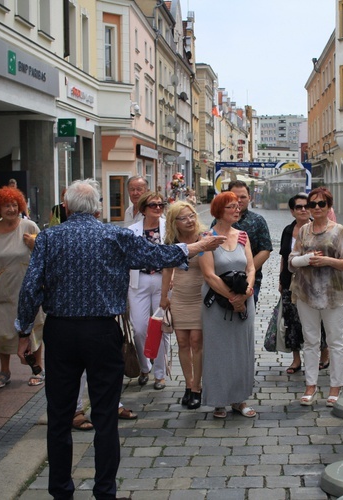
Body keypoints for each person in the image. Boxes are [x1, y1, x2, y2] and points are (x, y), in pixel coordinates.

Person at [15, 178, 224, 499]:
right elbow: (157, 255)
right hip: (102, 332)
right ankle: (105, 491)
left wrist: (23, 331)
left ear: (67, 207)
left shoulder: (49, 238)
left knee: (59, 415)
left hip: (61, 332)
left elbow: (31, 288)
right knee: (105, 414)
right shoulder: (114, 234)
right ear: (98, 208)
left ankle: (60, 490)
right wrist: (195, 247)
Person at [290, 187, 343, 407]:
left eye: (321, 204)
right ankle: (310, 386)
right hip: (306, 292)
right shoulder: (304, 231)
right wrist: (306, 259)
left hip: (332, 293)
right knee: (310, 341)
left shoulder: (338, 231)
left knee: (335, 342)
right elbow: (292, 260)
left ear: (329, 207)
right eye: (312, 204)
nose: (316, 208)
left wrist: (326, 261)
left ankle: (335, 387)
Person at [0, 187, 45, 388]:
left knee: (34, 326)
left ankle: (38, 368)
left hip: (28, 288)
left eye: (15, 205)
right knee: (2, 329)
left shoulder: (29, 226)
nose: (11, 209)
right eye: (7, 205)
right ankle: (4, 370)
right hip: (2, 289)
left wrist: (34, 246)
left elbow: (44, 255)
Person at [201, 192, 257, 419]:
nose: (237, 210)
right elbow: (209, 275)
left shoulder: (243, 236)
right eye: (231, 207)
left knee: (242, 350)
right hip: (217, 303)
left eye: (238, 206)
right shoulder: (207, 238)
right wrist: (232, 299)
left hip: (244, 300)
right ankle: (218, 401)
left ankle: (239, 399)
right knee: (218, 350)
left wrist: (244, 296)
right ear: (219, 211)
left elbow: (251, 268)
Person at [161, 201, 207, 409]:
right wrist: (164, 296)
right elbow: (167, 269)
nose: (189, 221)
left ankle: (197, 386)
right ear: (174, 222)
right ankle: (188, 385)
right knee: (182, 342)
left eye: (192, 216)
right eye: (184, 218)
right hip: (180, 296)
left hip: (200, 296)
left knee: (197, 341)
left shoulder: (204, 238)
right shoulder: (172, 240)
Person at [279, 193, 329, 374]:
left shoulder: (316, 229)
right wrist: (280, 279)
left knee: (318, 320)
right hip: (290, 281)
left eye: (305, 206)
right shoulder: (287, 230)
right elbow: (284, 256)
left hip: (313, 282)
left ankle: (324, 354)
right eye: (298, 207)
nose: (302, 210)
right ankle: (296, 359)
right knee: (292, 320)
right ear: (292, 211)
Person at [128, 192, 169, 390]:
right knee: (139, 329)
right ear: (144, 209)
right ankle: (145, 366)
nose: (158, 208)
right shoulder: (132, 230)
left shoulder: (168, 228)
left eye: (161, 205)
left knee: (160, 328)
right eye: (153, 205)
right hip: (138, 282)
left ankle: (160, 374)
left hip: (163, 281)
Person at [213, 180, 272, 304]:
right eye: (235, 196)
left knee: (245, 315)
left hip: (250, 281)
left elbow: (265, 250)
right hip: (223, 281)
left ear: (249, 198)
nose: (239, 200)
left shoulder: (258, 220)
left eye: (243, 197)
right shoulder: (218, 221)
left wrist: (244, 273)